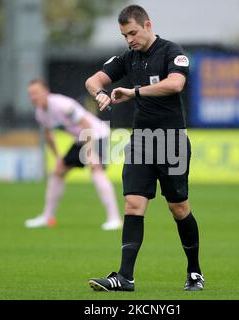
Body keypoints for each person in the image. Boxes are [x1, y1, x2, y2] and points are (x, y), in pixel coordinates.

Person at [85, 5, 204, 291]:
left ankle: (194, 271)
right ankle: (125, 277)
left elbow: (175, 84)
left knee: (178, 207)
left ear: (147, 25)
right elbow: (93, 81)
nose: (129, 40)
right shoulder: (129, 58)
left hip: (172, 141)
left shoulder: (171, 51)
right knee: (133, 204)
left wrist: (133, 92)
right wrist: (100, 94)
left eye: (133, 33)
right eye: (125, 35)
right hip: (141, 142)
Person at [25, 78, 123, 231]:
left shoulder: (62, 105)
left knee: (96, 170)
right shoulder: (40, 113)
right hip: (80, 140)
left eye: (36, 93)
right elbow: (48, 135)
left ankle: (114, 219)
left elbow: (86, 124)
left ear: (46, 91)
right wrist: (58, 157)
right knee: (58, 171)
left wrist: (90, 153)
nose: (33, 97)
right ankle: (47, 216)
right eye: (30, 94)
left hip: (96, 135)